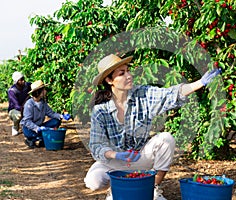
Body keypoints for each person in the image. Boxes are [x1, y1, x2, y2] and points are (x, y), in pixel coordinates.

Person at [84, 54, 221, 200]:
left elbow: (169, 94)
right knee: (94, 180)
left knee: (166, 139)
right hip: (114, 162)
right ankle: (117, 188)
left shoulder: (142, 95)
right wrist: (115, 154)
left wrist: (200, 83)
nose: (129, 76)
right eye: (122, 73)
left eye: (128, 71)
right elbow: (96, 145)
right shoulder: (101, 111)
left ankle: (151, 188)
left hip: (138, 157)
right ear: (109, 80)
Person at [20, 80, 71, 149]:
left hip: (39, 125)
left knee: (56, 121)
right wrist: (37, 128)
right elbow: (27, 121)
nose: (45, 91)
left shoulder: (43, 103)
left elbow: (51, 113)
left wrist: (62, 116)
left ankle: (42, 139)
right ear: (38, 92)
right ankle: (31, 139)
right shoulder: (29, 104)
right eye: (44, 90)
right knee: (32, 134)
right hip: (29, 128)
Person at [7, 71, 31, 136]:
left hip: (24, 107)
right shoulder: (12, 91)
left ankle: (27, 126)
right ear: (16, 81)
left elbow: (34, 86)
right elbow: (17, 106)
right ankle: (15, 128)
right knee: (18, 115)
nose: (23, 81)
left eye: (23, 78)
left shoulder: (27, 85)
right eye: (21, 80)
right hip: (14, 110)